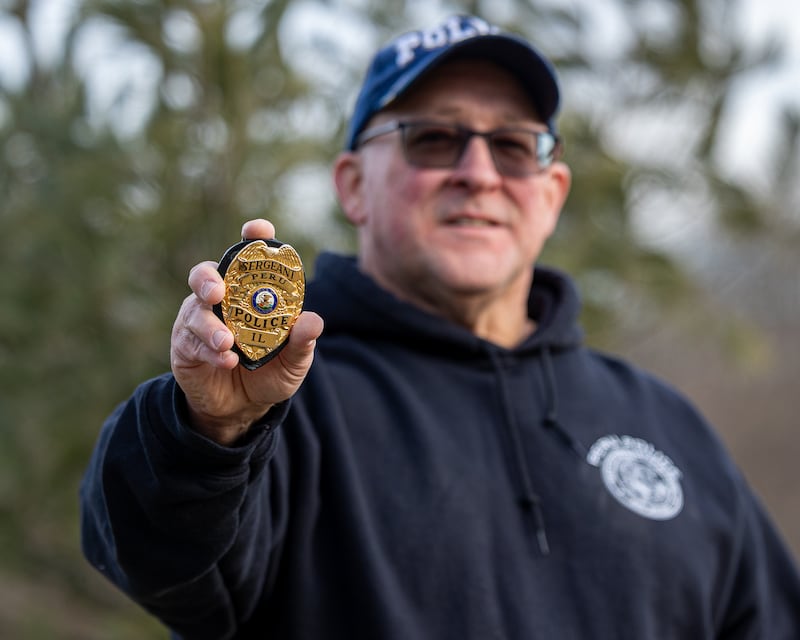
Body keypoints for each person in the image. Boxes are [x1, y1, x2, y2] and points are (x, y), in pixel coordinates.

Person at [80, 14, 800, 640]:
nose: (478, 172)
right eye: (432, 138)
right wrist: (209, 436)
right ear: (353, 185)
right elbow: (160, 560)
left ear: (550, 196)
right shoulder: (275, 408)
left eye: (514, 145)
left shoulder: (668, 425)